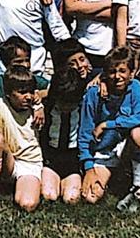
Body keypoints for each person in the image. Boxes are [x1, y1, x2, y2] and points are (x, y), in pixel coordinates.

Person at [78, 47, 140, 207]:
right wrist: (89, 168)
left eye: (122, 71)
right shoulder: (94, 94)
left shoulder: (135, 87)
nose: (117, 77)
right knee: (91, 196)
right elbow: (84, 133)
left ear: (131, 73)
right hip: (104, 152)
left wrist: (108, 124)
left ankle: (137, 187)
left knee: (139, 133)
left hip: (126, 148)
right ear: (105, 73)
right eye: (112, 72)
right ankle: (114, 177)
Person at [0, 66, 45, 215]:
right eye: (22, 92)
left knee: (27, 204)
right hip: (8, 160)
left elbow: (57, 91)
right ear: (9, 94)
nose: (28, 96)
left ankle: (16, 186)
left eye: (31, 91)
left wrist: (40, 105)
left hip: (30, 163)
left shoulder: (36, 106)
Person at [41, 39, 92, 204]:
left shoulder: (85, 96)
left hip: (72, 159)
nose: (79, 65)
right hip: (51, 157)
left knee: (71, 198)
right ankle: (54, 182)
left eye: (82, 59)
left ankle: (69, 182)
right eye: (72, 63)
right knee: (49, 195)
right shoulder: (56, 92)